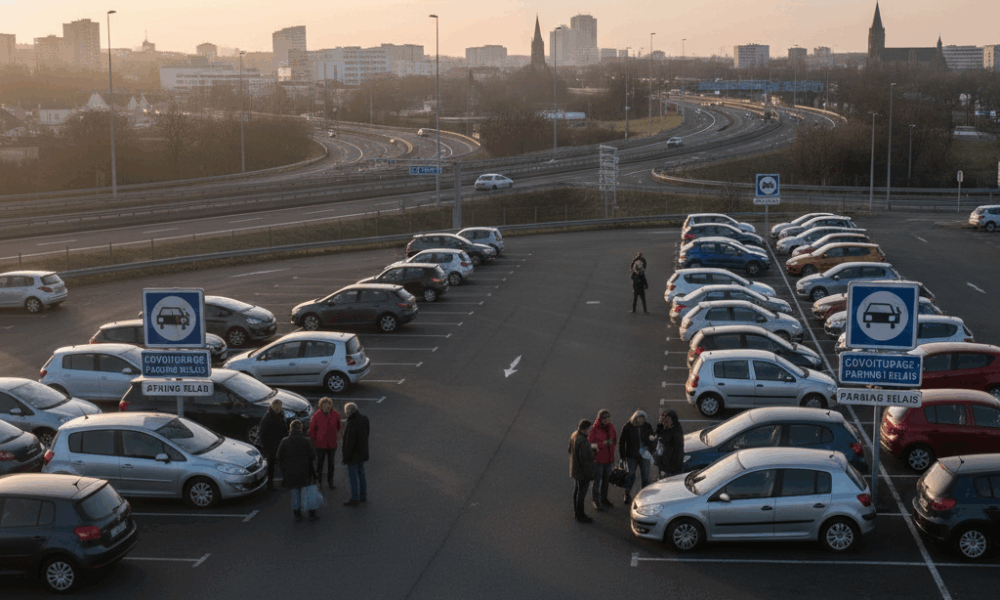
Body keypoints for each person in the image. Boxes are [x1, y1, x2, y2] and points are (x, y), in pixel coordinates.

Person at [275, 420, 319, 522]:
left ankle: (297, 515)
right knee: (307, 493)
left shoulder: (285, 441)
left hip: (290, 472)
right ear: (301, 428)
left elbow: (279, 456)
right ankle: (312, 514)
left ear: (290, 429)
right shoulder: (306, 440)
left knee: (295, 492)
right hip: (305, 471)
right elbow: (312, 455)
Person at [619, 410, 654, 505]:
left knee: (645, 476)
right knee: (630, 476)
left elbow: (652, 439)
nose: (642, 420)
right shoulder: (627, 427)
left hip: (644, 456)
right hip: (631, 456)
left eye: (643, 419)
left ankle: (645, 496)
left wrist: (651, 450)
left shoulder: (647, 426)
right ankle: (627, 493)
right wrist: (622, 457)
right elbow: (622, 442)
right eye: (640, 418)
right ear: (635, 418)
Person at [308, 397, 342, 490]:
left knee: (331, 463)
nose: (327, 407)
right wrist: (313, 441)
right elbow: (312, 430)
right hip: (320, 444)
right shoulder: (316, 416)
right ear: (321, 406)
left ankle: (330, 481)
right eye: (325, 405)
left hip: (332, 444)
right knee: (320, 463)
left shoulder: (335, 414)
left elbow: (339, 426)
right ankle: (319, 481)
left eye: (328, 405)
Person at [587, 409, 617, 511]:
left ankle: (604, 499)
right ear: (600, 419)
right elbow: (591, 444)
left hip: (608, 459)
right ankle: (596, 501)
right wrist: (604, 443)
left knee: (606, 481)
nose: (607, 420)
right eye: (605, 418)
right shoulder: (594, 429)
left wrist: (612, 444)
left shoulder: (611, 427)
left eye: (608, 418)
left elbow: (614, 439)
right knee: (597, 481)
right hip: (598, 460)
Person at [341, 402, 370, 507]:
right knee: (361, 474)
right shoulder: (364, 419)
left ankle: (355, 498)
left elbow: (349, 442)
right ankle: (363, 495)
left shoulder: (351, 423)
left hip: (353, 455)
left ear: (348, 412)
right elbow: (367, 433)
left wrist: (345, 456)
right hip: (363, 452)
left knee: (353, 477)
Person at [568, 419, 596, 523]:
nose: (590, 431)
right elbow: (586, 461)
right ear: (584, 430)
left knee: (576, 491)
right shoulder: (584, 442)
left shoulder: (574, 435)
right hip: (582, 473)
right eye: (589, 429)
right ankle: (580, 514)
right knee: (581, 493)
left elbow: (569, 449)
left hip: (575, 469)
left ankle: (576, 512)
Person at [258, 399, 288, 491]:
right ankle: (270, 484)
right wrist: (266, 447)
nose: (278, 409)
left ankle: (284, 481)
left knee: (282, 463)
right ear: (272, 407)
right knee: (271, 465)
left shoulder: (280, 415)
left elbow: (284, 428)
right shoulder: (267, 418)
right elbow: (262, 434)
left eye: (279, 407)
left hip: (280, 443)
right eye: (277, 407)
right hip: (271, 446)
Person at [652, 409, 685, 479]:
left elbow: (665, 440)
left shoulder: (675, 430)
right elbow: (656, 434)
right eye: (663, 420)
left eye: (666, 420)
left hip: (672, 466)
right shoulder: (665, 428)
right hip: (663, 463)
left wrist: (665, 427)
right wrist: (660, 425)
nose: (664, 422)